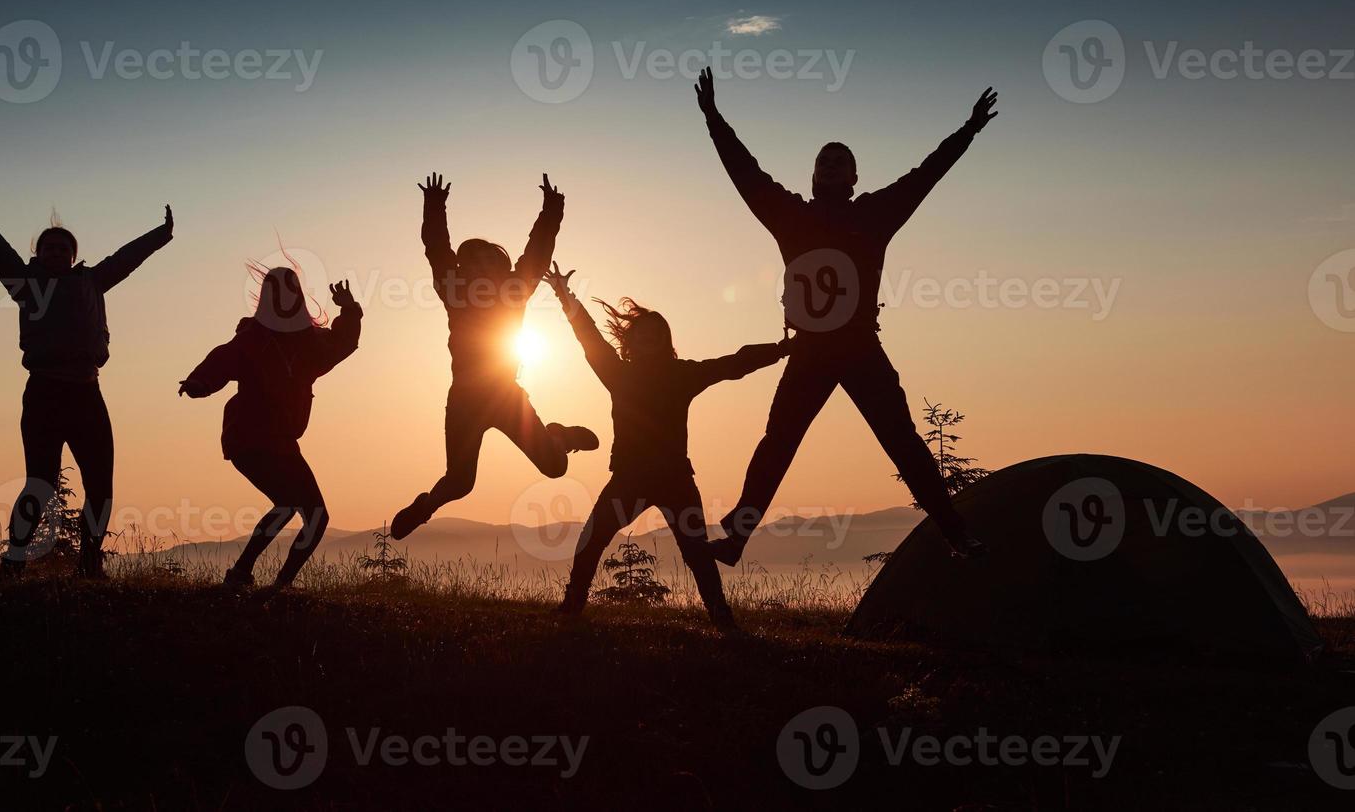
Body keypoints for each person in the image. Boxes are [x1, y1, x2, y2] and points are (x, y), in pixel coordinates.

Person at [693, 68, 999, 565]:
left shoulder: (875, 214)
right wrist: (713, 117)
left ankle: (956, 533)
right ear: (813, 175)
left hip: (859, 346)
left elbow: (926, 175)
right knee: (778, 443)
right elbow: (744, 171)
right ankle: (737, 539)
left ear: (854, 177)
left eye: (841, 162)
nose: (832, 166)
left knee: (902, 441)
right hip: (810, 349)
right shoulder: (790, 215)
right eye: (824, 161)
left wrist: (967, 131)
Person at [0, 169, 174, 576]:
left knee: (100, 486)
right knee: (39, 484)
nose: (57, 253)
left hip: (87, 393)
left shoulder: (93, 281)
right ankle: (14, 559)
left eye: (64, 248)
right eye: (49, 248)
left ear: (73, 256)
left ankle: (90, 563)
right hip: (43, 393)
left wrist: (161, 234)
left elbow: (129, 257)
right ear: (39, 254)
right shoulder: (25, 283)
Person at [544, 261, 789, 631]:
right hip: (630, 478)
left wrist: (780, 349)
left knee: (696, 553)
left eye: (658, 334)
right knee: (593, 538)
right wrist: (566, 298)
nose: (651, 339)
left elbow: (732, 364)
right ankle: (572, 606)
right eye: (644, 334)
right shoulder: (619, 374)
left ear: (666, 341)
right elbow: (589, 338)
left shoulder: (681, 374)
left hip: (674, 478)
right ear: (631, 342)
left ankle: (722, 619)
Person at [390, 173, 599, 540]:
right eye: (475, 263)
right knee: (460, 481)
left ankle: (558, 436)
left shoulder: (515, 291)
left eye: (491, 262)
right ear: (464, 270)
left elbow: (536, 255)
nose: (483, 269)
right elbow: (437, 250)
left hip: (505, 396)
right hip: (465, 401)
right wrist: (434, 206)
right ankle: (425, 508)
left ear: (502, 270)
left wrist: (551, 211)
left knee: (554, 468)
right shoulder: (454, 293)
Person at [178, 267, 362, 589]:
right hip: (248, 439)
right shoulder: (251, 339)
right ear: (266, 299)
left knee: (316, 518)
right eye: (275, 291)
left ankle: (278, 585)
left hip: (283, 444)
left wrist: (349, 310)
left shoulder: (311, 344)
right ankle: (243, 576)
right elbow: (223, 359)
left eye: (289, 291)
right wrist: (199, 382)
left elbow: (343, 342)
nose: (283, 298)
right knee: (291, 504)